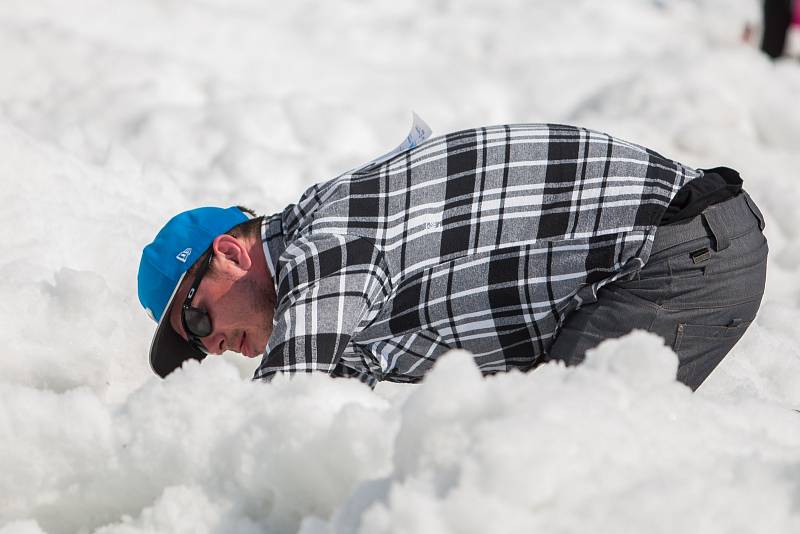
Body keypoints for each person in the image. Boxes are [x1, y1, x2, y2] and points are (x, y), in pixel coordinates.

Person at [138, 123, 768, 391]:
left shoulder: (322, 248)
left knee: (563, 452)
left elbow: (280, 413)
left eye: (196, 323)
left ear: (229, 253)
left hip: (679, 249)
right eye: (198, 347)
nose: (212, 347)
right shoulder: (331, 303)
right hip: (667, 256)